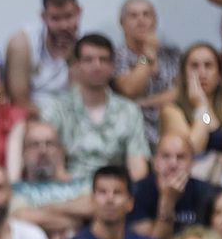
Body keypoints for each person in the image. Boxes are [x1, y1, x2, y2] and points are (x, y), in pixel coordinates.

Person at [42, 34, 150, 184]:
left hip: (113, 192)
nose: (97, 66)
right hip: (69, 189)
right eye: (88, 60)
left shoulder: (129, 111)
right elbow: (50, 163)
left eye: (103, 60)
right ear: (77, 65)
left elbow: (137, 167)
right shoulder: (57, 109)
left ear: (113, 66)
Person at [160, 43, 222, 176]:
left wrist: (211, 162)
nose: (202, 73)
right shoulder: (172, 111)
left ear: (220, 76)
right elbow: (192, 149)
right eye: (194, 66)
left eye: (208, 65)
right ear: (183, 74)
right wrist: (201, 106)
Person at [112, 0, 181, 146]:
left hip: (171, 123)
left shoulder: (171, 53)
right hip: (134, 128)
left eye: (146, 14)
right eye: (133, 16)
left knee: (204, 117)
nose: (141, 20)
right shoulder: (116, 55)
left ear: (154, 21)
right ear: (122, 23)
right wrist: (146, 57)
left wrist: (145, 102)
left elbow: (181, 92)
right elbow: (129, 89)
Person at [5, 0, 82, 114]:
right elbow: (19, 102)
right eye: (55, 18)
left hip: (73, 117)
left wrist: (73, 61)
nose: (64, 25)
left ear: (79, 12)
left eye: (68, 17)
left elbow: (81, 101)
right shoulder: (22, 43)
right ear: (43, 16)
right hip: (32, 118)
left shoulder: (87, 46)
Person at [129, 133, 219, 239]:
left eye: (180, 157)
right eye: (166, 156)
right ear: (155, 161)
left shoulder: (207, 193)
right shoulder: (138, 192)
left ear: (192, 163)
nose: (173, 164)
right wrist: (167, 201)